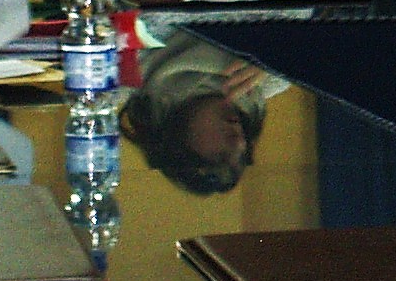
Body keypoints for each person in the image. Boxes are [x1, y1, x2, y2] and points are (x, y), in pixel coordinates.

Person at [119, 32, 288, 194]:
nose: (239, 142)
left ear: (177, 147)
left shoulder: (120, 68)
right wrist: (278, 47)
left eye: (220, 155)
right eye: (242, 155)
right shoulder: (274, 77)